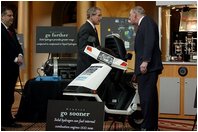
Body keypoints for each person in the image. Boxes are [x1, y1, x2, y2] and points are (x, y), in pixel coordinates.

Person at [128, 6, 163, 130]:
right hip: (147, 68)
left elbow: (149, 42)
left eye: (130, 16)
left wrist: (145, 62)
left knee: (147, 99)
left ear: (136, 15)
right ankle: (151, 126)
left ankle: (148, 127)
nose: (129, 19)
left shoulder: (146, 22)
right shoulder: (145, 23)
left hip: (148, 68)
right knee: (150, 99)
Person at [1, 5, 23, 128]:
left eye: (13, 15)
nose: (12, 18)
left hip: (12, 70)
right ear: (2, 16)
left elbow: (18, 46)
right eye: (9, 15)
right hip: (3, 70)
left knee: (9, 96)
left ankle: (8, 120)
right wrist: (15, 58)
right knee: (3, 96)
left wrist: (20, 54)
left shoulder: (11, 29)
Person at [76, 6, 102, 76]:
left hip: (90, 67)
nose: (100, 18)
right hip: (85, 68)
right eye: (99, 15)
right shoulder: (86, 29)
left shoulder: (92, 28)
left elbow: (91, 44)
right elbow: (83, 48)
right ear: (91, 16)